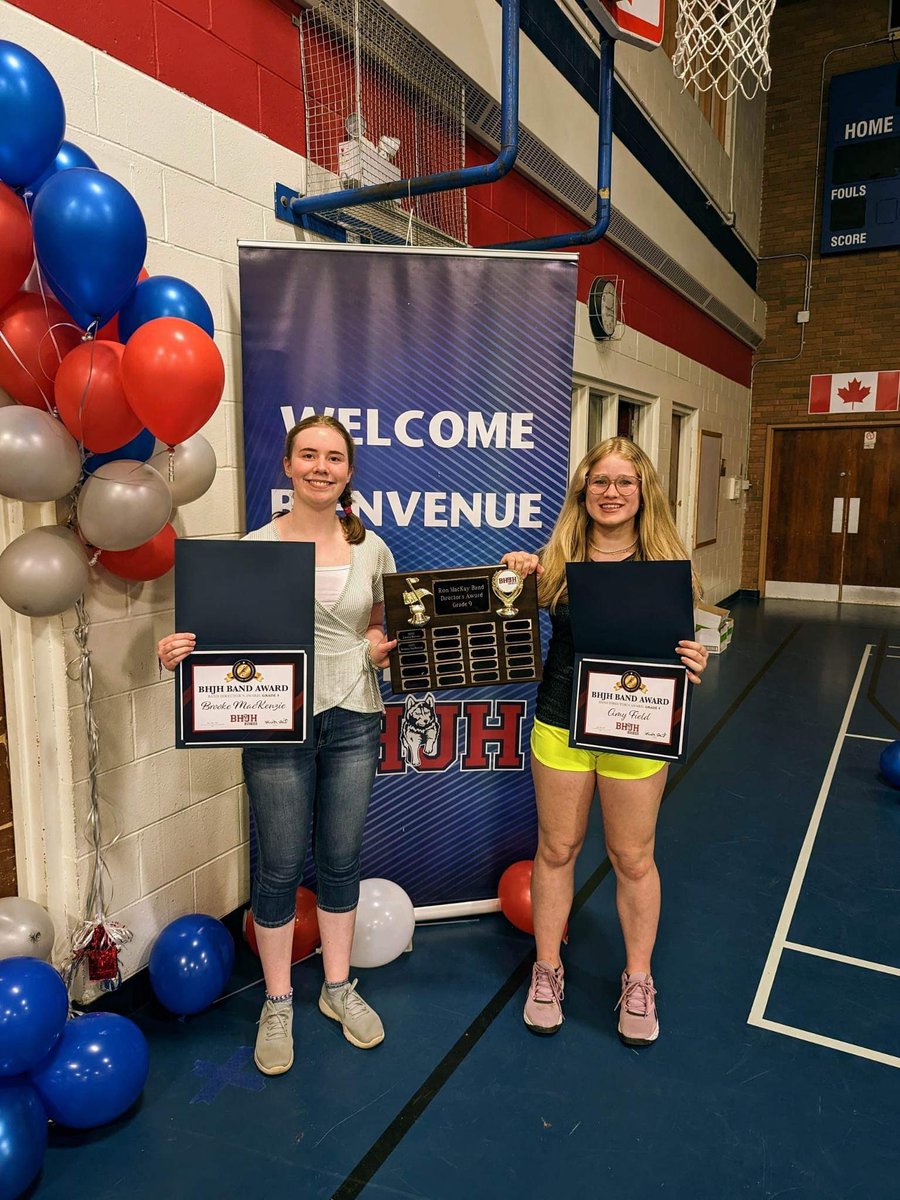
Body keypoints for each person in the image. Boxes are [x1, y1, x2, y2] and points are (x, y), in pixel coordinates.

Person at [157, 415, 396, 1076]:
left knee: (341, 860)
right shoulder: (254, 548)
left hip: (355, 715)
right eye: (309, 455)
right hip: (276, 720)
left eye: (334, 458)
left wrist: (377, 648)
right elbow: (222, 636)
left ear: (348, 471)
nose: (322, 467)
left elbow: (378, 626)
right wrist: (180, 651)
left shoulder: (373, 547)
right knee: (281, 866)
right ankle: (279, 999)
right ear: (288, 466)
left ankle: (338, 988)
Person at [502, 436, 708, 1047]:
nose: (610, 492)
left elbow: (687, 644)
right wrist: (515, 576)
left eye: (624, 482)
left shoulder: (667, 565)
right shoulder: (557, 559)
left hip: (636, 726)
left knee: (633, 857)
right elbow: (506, 618)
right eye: (599, 481)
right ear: (582, 490)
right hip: (561, 722)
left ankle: (638, 979)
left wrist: (695, 658)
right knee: (556, 849)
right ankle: (547, 970)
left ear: (643, 491)